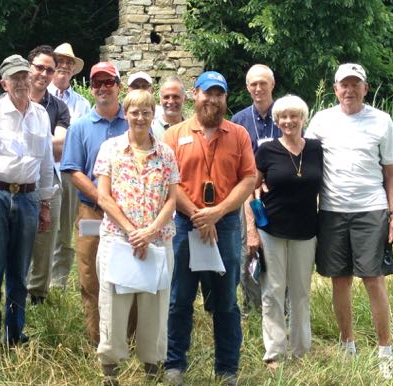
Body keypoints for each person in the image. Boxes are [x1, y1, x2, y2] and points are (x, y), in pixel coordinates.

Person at [305, 63, 393, 379]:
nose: (349, 90)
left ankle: (384, 351)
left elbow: (391, 174)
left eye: (355, 84)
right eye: (343, 85)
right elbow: (302, 158)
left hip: (371, 210)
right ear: (335, 89)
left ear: (365, 87)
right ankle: (347, 345)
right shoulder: (321, 120)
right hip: (332, 211)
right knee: (340, 279)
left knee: (374, 279)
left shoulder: (381, 120)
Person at [163, 71, 255, 386]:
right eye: (207, 93)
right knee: (179, 298)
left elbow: (248, 179)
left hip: (226, 224)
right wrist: (196, 213)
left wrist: (217, 212)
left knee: (227, 299)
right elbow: (167, 182)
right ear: (194, 95)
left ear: (226, 98)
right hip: (183, 222)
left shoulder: (239, 134)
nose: (212, 99)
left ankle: (227, 370)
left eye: (219, 94)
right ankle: (175, 364)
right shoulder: (174, 135)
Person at [94, 90, 179, 385]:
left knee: (154, 308)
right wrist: (133, 232)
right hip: (119, 240)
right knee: (114, 306)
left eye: (146, 112)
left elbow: (172, 199)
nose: (140, 117)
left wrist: (151, 230)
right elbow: (103, 197)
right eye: (134, 111)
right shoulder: (110, 149)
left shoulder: (166, 153)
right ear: (126, 114)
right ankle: (110, 370)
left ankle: (152, 368)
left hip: (157, 242)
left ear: (153, 114)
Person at [0, 54, 54, 348]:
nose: (22, 83)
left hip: (28, 198)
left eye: (25, 76)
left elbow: (47, 162)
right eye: (15, 79)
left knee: (20, 274)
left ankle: (14, 334)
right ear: (4, 83)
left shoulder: (41, 115)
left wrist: (45, 203)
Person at [251, 95, 323, 369]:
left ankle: (301, 350)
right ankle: (274, 352)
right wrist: (252, 229)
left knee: (301, 292)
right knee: (273, 290)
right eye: (283, 117)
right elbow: (251, 188)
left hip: (306, 230)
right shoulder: (267, 150)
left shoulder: (316, 148)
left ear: (303, 118)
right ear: (276, 120)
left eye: (294, 116)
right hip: (272, 229)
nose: (288, 121)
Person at [60, 62, 129, 344]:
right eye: (96, 83)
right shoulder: (79, 127)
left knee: (129, 274)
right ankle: (97, 340)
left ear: (118, 86)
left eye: (108, 82)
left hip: (130, 214)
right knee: (90, 276)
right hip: (91, 212)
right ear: (90, 88)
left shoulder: (133, 121)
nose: (102, 87)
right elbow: (73, 170)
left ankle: (128, 339)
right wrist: (103, 198)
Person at [231, 64, 280, 314]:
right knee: (248, 248)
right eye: (253, 84)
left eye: (263, 83)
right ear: (248, 87)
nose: (258, 88)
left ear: (272, 84)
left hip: (280, 196)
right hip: (247, 196)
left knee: (279, 251)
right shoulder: (239, 121)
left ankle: (281, 307)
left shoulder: (285, 114)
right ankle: (252, 308)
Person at [26, 45, 71, 304]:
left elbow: (59, 147)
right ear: (29, 67)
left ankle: (38, 294)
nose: (44, 73)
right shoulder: (9, 98)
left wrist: (26, 139)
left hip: (49, 176)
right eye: (39, 67)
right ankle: (14, 289)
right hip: (13, 178)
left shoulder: (59, 107)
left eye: (49, 70)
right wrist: (45, 138)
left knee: (46, 234)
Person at [48, 42, 90, 289]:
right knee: (42, 228)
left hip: (69, 171)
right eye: (60, 62)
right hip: (43, 171)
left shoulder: (82, 104)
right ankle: (36, 279)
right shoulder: (42, 96)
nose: (64, 67)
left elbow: (82, 141)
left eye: (68, 63)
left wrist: (59, 144)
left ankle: (58, 284)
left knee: (64, 231)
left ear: (74, 70)